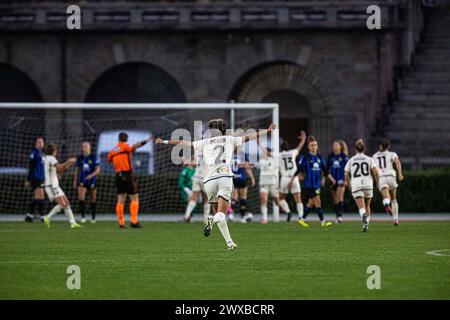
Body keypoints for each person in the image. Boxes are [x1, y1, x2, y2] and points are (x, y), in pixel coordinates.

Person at [156, 119, 276, 250]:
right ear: (223, 129)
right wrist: (268, 131)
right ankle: (211, 219)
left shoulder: (204, 142)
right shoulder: (230, 139)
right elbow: (250, 136)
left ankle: (229, 243)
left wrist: (164, 141)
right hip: (224, 177)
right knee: (221, 214)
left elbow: (183, 142)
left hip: (209, 181)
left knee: (219, 213)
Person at [107, 132, 151, 228]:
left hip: (118, 175)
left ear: (118, 139)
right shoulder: (126, 147)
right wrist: (145, 141)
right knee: (134, 198)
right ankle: (134, 222)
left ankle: (121, 223)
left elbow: (109, 161)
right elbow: (134, 147)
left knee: (121, 199)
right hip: (127, 174)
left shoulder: (112, 151)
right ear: (126, 139)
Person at [292, 136, 333, 228]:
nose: (314, 146)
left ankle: (302, 219)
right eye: (312, 145)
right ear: (308, 147)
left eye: (315, 145)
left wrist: (330, 178)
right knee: (318, 201)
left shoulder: (320, 157)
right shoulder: (305, 157)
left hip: (317, 183)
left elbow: (325, 170)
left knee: (311, 203)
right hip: (310, 184)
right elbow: (299, 169)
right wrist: (295, 177)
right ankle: (323, 221)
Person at [344, 139, 379, 232]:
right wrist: (378, 183)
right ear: (365, 149)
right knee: (367, 205)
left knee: (361, 207)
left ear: (355, 149)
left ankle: (363, 216)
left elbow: (346, 173)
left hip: (356, 184)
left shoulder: (351, 160)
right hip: (368, 184)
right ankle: (366, 225)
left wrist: (348, 183)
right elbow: (375, 172)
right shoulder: (370, 159)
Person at [42, 143, 80, 228]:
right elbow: (59, 168)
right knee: (63, 204)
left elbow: (56, 170)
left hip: (53, 185)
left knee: (66, 203)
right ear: (54, 151)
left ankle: (73, 223)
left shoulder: (46, 158)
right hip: (51, 185)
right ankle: (47, 217)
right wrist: (68, 162)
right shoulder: (51, 158)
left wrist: (64, 168)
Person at [373, 138, 404, 226]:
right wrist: (400, 174)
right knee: (394, 199)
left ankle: (386, 204)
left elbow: (374, 171)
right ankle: (395, 219)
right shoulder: (392, 154)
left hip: (382, 177)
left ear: (380, 146)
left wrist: (377, 182)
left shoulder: (375, 156)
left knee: (386, 197)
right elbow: (397, 162)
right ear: (388, 146)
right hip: (391, 175)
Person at [256, 141, 289, 224]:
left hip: (273, 183)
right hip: (263, 183)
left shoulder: (274, 160)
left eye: (266, 151)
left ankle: (288, 212)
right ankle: (264, 218)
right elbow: (255, 166)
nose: (264, 152)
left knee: (277, 201)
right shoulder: (261, 161)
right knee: (263, 200)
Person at [278, 131, 306, 222]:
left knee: (281, 198)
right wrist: (304, 139)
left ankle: (288, 212)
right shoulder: (292, 152)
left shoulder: (279, 155)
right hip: (294, 178)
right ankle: (301, 217)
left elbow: (269, 154)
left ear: (281, 148)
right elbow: (299, 147)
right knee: (298, 199)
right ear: (288, 148)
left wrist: (259, 144)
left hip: (285, 178)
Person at [73, 141, 100, 223]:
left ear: (90, 147)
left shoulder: (94, 157)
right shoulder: (80, 158)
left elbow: (98, 170)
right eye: (84, 146)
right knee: (81, 198)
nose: (85, 147)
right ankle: (83, 217)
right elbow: (77, 170)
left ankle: (93, 218)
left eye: (87, 146)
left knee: (93, 199)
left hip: (92, 180)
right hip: (82, 180)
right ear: (82, 148)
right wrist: (75, 180)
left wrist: (91, 176)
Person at [184, 150, 211, 223]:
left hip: (196, 177)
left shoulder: (197, 151)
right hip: (205, 178)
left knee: (194, 197)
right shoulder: (210, 152)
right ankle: (205, 219)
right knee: (207, 199)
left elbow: (193, 159)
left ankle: (186, 216)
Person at [231, 146, 255, 223]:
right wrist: (252, 177)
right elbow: (247, 167)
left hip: (233, 178)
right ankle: (242, 217)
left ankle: (230, 213)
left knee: (234, 197)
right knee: (243, 197)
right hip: (242, 178)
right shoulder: (243, 155)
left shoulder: (230, 155)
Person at [326, 140, 349, 223]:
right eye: (334, 145)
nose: (334, 146)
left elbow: (347, 170)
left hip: (341, 179)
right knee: (335, 199)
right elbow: (326, 169)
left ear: (340, 147)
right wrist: (329, 178)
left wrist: (346, 180)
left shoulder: (344, 156)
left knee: (340, 197)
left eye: (336, 145)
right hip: (333, 180)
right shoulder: (330, 156)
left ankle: (340, 216)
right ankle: (337, 216)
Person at [24, 137, 45, 223]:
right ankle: (42, 216)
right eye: (39, 142)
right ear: (36, 144)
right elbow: (31, 166)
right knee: (39, 196)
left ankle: (29, 215)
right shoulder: (34, 153)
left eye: (42, 142)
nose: (40, 144)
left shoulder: (42, 154)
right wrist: (28, 179)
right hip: (35, 178)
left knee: (40, 197)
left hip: (41, 178)